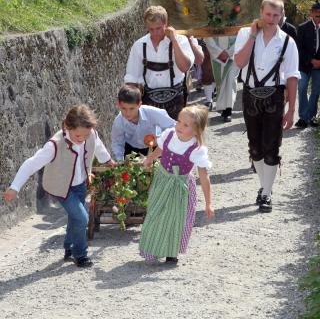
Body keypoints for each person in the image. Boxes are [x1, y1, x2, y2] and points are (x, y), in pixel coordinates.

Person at [3, 105, 115, 267]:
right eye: (78, 135)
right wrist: (15, 186)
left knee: (75, 217)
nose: (83, 139)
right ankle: (80, 254)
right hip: (60, 187)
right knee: (82, 217)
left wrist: (108, 161)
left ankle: (69, 247)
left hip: (81, 184)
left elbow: (98, 146)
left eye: (86, 135)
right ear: (67, 127)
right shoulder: (54, 144)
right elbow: (31, 164)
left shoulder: (90, 135)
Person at [234, 0, 300, 213]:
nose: (271, 19)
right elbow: (239, 62)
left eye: (276, 15)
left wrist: (291, 111)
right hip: (250, 95)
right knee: (255, 148)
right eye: (268, 14)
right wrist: (253, 35)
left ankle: (266, 193)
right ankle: (265, 187)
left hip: (274, 97)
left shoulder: (288, 42)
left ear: (281, 16)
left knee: (271, 148)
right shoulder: (245, 34)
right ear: (261, 12)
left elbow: (291, 76)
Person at [139, 105, 214, 263]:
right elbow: (160, 149)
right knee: (155, 213)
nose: (179, 126)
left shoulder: (197, 149)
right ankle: (152, 249)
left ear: (196, 130)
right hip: (162, 179)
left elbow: (204, 176)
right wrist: (150, 159)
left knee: (176, 218)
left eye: (186, 125)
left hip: (180, 186)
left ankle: (171, 251)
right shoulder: (169, 135)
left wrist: (209, 203)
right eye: (179, 121)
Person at [124, 5, 195, 119]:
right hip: (149, 100)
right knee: (151, 136)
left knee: (175, 135)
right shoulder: (139, 45)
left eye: (158, 28)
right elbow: (131, 78)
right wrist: (130, 105)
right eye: (151, 29)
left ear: (166, 24)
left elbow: (184, 67)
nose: (155, 33)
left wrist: (174, 40)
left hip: (176, 100)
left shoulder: (181, 41)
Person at [111, 84, 176, 160]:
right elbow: (117, 143)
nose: (127, 113)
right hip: (131, 150)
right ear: (118, 105)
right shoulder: (118, 121)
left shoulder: (152, 112)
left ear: (139, 104)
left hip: (154, 148)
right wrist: (119, 162)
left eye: (132, 108)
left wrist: (160, 139)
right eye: (124, 108)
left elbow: (173, 127)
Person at [295, 0, 320, 128]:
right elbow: (298, 48)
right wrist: (311, 60)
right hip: (304, 65)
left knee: (316, 90)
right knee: (302, 87)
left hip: (319, 66)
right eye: (316, 13)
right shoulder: (302, 27)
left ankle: (311, 116)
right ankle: (303, 118)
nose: (318, 16)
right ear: (311, 14)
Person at [205, 36, 239, 121]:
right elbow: (207, 35)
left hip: (233, 54)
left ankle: (228, 110)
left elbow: (241, 35)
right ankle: (223, 107)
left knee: (231, 80)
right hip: (217, 55)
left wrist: (229, 52)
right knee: (221, 81)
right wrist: (218, 52)